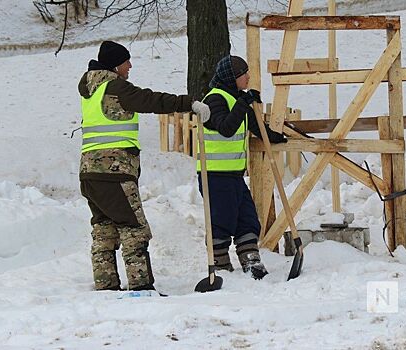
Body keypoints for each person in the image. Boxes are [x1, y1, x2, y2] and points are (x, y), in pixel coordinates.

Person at [78, 40, 210, 291]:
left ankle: (105, 286)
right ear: (116, 65)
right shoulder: (116, 88)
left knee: (104, 229)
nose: (130, 65)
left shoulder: (90, 90)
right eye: (126, 61)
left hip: (89, 173)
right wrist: (189, 104)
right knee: (133, 228)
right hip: (114, 171)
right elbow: (151, 100)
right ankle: (141, 287)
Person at [198, 55, 287, 280]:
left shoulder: (236, 98)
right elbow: (225, 128)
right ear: (232, 77)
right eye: (243, 74)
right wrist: (243, 103)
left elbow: (258, 128)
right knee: (222, 219)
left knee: (247, 218)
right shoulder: (214, 100)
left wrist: (278, 137)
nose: (248, 77)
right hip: (215, 175)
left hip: (234, 174)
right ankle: (219, 262)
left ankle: (251, 258)